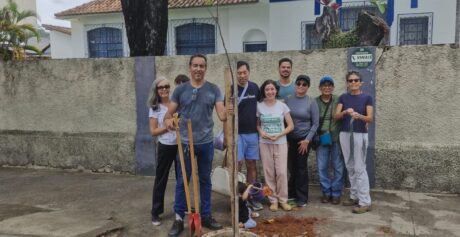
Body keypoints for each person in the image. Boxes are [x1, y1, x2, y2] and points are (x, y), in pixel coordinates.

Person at [164, 54, 226, 236]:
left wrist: (229, 111)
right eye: (195, 65)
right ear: (190, 67)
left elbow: (222, 115)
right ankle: (178, 218)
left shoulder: (214, 89)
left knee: (205, 180)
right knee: (183, 181)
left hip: (206, 142)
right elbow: (168, 116)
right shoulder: (180, 90)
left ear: (206, 68)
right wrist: (169, 122)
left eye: (202, 66)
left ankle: (206, 215)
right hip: (185, 142)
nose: (199, 69)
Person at [334, 71, 374, 214]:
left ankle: (365, 201)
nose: (353, 83)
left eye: (356, 80)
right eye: (350, 81)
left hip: (359, 135)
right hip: (345, 134)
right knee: (350, 166)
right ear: (347, 83)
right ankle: (354, 195)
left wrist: (360, 116)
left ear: (360, 82)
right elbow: (336, 116)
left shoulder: (367, 97)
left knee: (359, 167)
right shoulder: (343, 97)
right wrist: (345, 112)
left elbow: (370, 118)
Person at [256, 80, 294, 212]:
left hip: (280, 142)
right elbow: (257, 125)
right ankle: (273, 200)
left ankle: (283, 200)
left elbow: (290, 125)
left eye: (272, 89)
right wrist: (262, 133)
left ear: (276, 90)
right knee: (269, 173)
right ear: (264, 91)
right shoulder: (259, 106)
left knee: (282, 173)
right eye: (267, 89)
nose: (270, 92)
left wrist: (279, 135)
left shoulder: (282, 106)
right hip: (265, 143)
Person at [285, 75, 319, 207]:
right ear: (295, 85)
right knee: (291, 167)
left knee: (301, 168)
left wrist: (307, 140)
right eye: (298, 83)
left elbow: (315, 123)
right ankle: (291, 193)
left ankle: (302, 197)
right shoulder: (288, 100)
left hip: (304, 139)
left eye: (304, 84)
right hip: (290, 139)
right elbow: (283, 119)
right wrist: (285, 138)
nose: (301, 86)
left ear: (308, 86)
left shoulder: (311, 101)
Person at [148, 77, 178, 227]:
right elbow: (153, 131)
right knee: (161, 178)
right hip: (165, 146)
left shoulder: (175, 104)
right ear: (157, 90)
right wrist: (167, 127)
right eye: (161, 87)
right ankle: (156, 211)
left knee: (182, 178)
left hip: (179, 145)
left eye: (166, 86)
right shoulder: (155, 108)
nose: (164, 89)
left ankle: (180, 208)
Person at [233, 61, 263, 211]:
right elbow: (226, 113)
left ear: (248, 72)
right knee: (237, 166)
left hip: (252, 134)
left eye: (244, 72)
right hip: (237, 135)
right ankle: (237, 199)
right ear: (236, 74)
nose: (242, 75)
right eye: (239, 73)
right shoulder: (231, 89)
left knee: (252, 165)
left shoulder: (255, 87)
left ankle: (251, 197)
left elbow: (261, 108)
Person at [315, 76, 344, 205]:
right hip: (322, 139)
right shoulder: (314, 102)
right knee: (322, 167)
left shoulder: (339, 99)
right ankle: (326, 193)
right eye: (324, 85)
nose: (327, 88)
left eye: (329, 85)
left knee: (338, 166)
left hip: (336, 138)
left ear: (333, 87)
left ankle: (336, 193)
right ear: (320, 88)